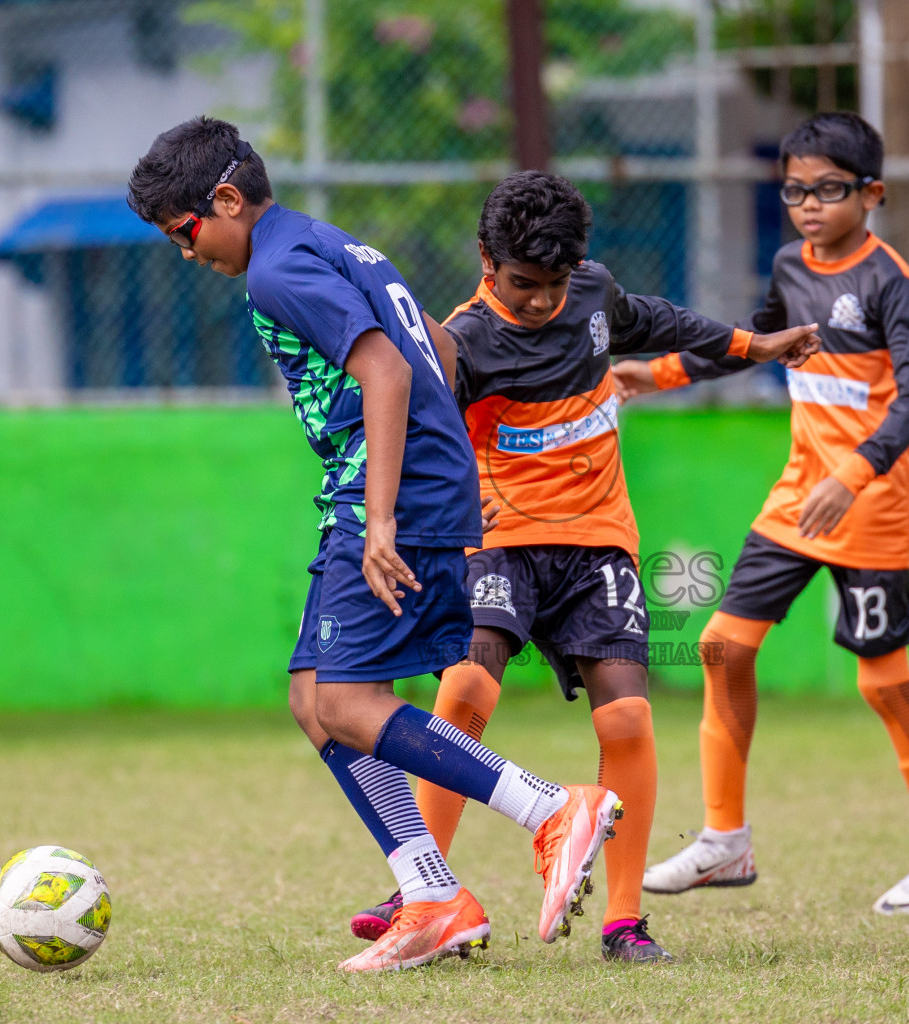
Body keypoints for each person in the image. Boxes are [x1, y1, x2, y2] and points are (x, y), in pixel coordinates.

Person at [127, 117, 622, 972]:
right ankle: (432, 895)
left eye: (184, 231)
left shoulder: (279, 270)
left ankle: (549, 808)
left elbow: (388, 370)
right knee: (315, 696)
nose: (185, 251)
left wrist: (386, 516)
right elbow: (432, 340)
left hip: (390, 497)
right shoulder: (327, 243)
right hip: (392, 485)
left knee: (352, 703)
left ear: (227, 200)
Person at [348, 170, 820, 961]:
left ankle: (623, 923)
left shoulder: (593, 296)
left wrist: (755, 346)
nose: (540, 300)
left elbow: (662, 322)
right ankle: (424, 892)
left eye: (555, 282)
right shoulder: (464, 343)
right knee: (464, 686)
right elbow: (413, 428)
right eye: (523, 283)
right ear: (486, 260)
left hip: (598, 540)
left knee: (626, 716)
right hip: (500, 541)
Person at [614, 111, 909, 915]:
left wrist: (852, 475)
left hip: (871, 506)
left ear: (872, 194)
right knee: (720, 646)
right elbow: (757, 342)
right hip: (795, 498)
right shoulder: (790, 264)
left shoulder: (895, 286)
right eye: (794, 190)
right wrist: (658, 374)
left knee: (884, 685)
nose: (809, 204)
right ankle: (724, 841)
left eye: (827, 189)